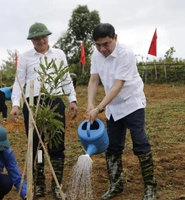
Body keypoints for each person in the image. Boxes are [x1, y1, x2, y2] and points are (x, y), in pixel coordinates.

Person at [86, 23, 157, 200]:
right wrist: (89, 103)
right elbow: (94, 80)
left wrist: (98, 108)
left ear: (115, 38)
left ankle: (150, 187)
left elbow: (118, 86)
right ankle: (116, 185)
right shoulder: (96, 54)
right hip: (113, 107)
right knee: (112, 147)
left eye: (106, 44)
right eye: (98, 45)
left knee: (140, 143)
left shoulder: (125, 54)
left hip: (132, 103)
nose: (102, 49)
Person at [10, 22, 78, 198]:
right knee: (37, 146)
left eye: (43, 36)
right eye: (36, 38)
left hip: (54, 100)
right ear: (31, 40)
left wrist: (72, 99)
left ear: (48, 37)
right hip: (33, 104)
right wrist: (16, 104)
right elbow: (19, 81)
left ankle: (57, 185)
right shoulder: (25, 57)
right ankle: (39, 183)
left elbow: (65, 78)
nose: (40, 40)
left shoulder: (59, 54)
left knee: (57, 145)